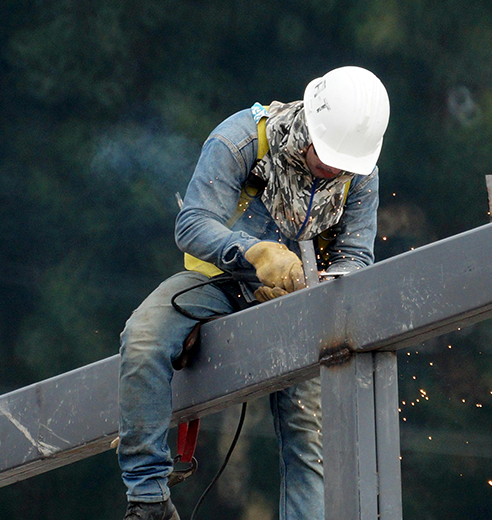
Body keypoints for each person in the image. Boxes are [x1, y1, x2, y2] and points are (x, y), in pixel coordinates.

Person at [118, 66, 390, 520]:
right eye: (326, 154)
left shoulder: (360, 173)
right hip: (218, 285)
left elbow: (356, 260)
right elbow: (193, 224)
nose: (334, 167)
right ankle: (148, 499)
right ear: (310, 124)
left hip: (301, 307)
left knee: (308, 434)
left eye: (344, 162)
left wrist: (316, 286)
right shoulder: (243, 139)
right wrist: (256, 254)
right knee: (143, 337)